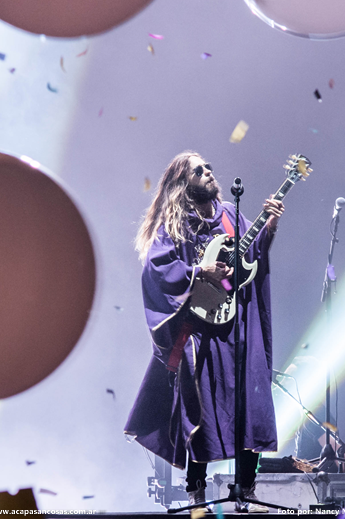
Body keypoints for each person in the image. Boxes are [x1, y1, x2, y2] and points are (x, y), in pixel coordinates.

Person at [124, 151, 285, 513]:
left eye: (209, 167)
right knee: (203, 407)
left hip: (238, 324)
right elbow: (157, 270)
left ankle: (246, 490)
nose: (209, 172)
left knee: (250, 403)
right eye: (199, 171)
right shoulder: (175, 226)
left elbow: (251, 256)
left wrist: (270, 226)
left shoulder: (229, 214)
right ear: (183, 184)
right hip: (200, 330)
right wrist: (199, 272)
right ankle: (196, 492)